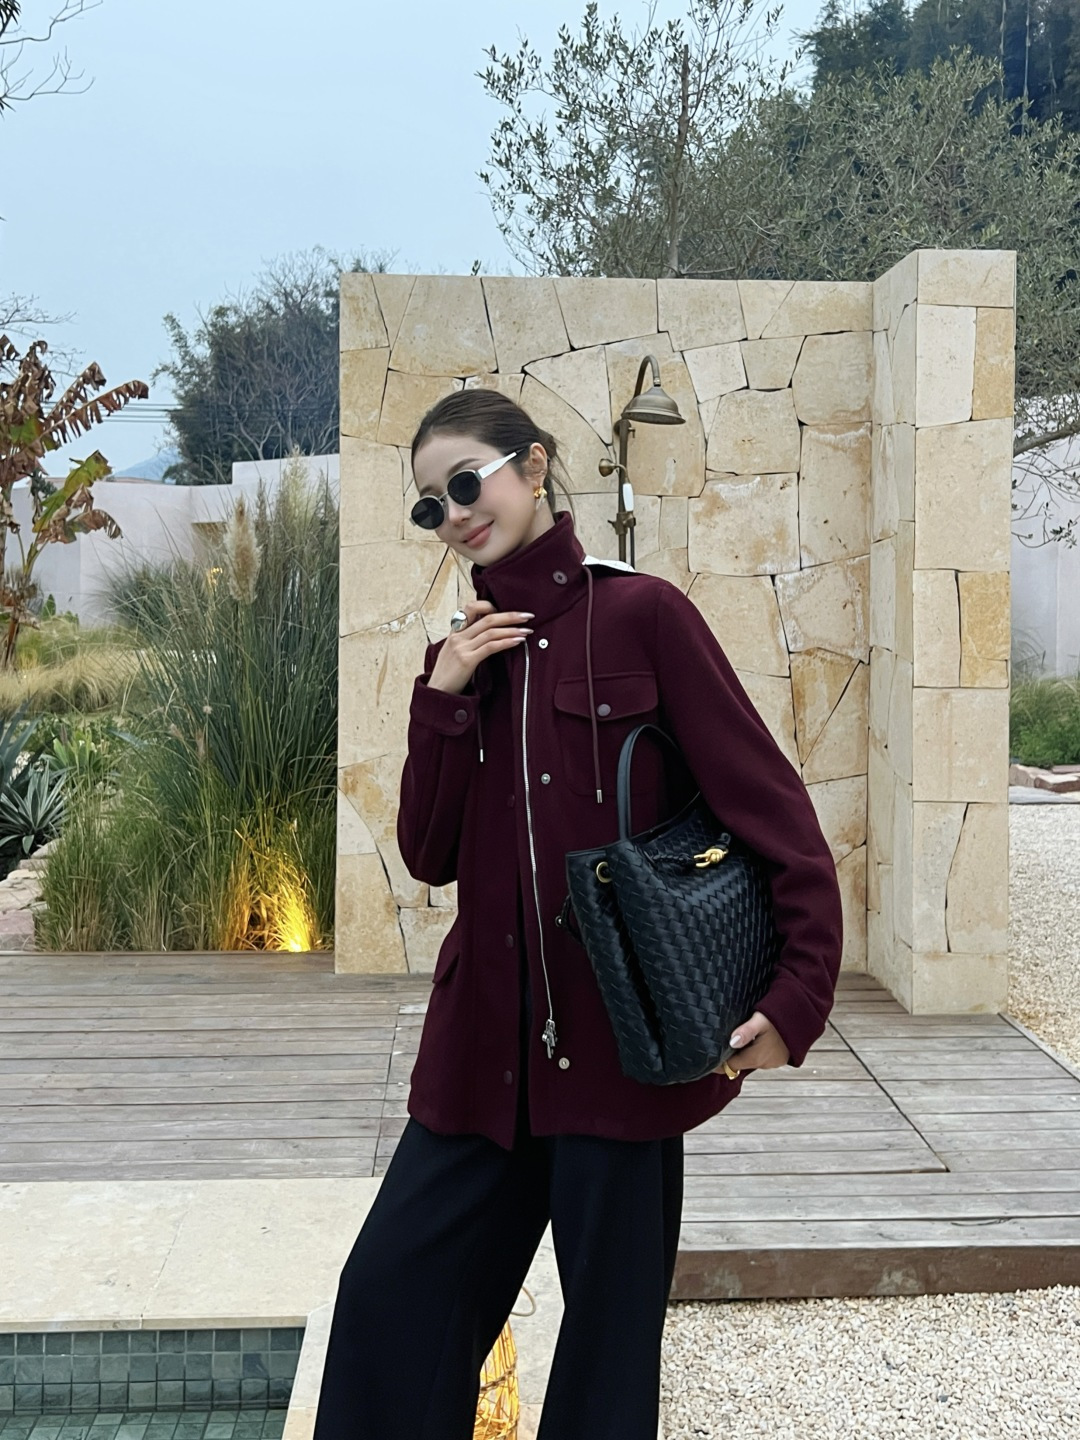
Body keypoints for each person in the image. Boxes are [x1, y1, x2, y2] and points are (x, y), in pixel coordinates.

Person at [312, 388, 844, 1440]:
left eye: (467, 482)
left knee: (606, 1372)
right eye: (430, 504)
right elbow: (426, 853)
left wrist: (799, 998)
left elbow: (772, 809)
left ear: (533, 465)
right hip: (480, 1065)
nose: (455, 513)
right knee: (388, 1309)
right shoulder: (462, 659)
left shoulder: (645, 616)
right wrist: (444, 695)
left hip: (621, 1058)